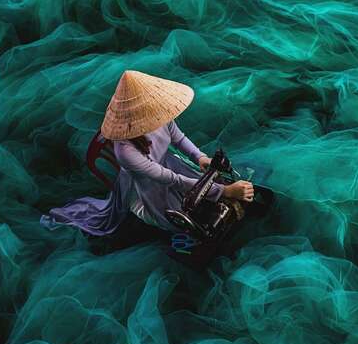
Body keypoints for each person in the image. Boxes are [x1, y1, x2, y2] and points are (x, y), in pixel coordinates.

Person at [41, 70, 254, 235]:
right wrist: (223, 191)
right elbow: (169, 179)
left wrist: (200, 157)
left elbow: (178, 138)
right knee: (187, 217)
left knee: (205, 190)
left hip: (168, 166)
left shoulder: (157, 113)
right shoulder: (125, 151)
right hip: (146, 187)